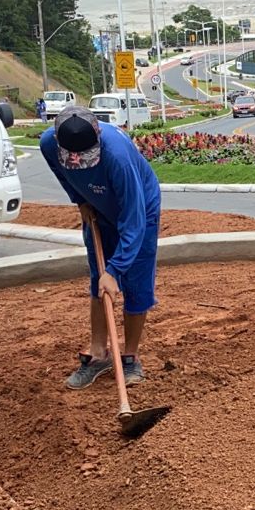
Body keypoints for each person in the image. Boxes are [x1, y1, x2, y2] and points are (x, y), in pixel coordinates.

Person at [39, 106, 162, 389]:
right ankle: (99, 354)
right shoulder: (48, 144)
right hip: (96, 209)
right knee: (98, 279)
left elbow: (134, 222)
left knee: (135, 281)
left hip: (138, 210)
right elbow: (61, 171)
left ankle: (130, 355)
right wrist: (78, 199)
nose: (79, 161)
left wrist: (116, 270)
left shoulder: (117, 157)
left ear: (97, 135)